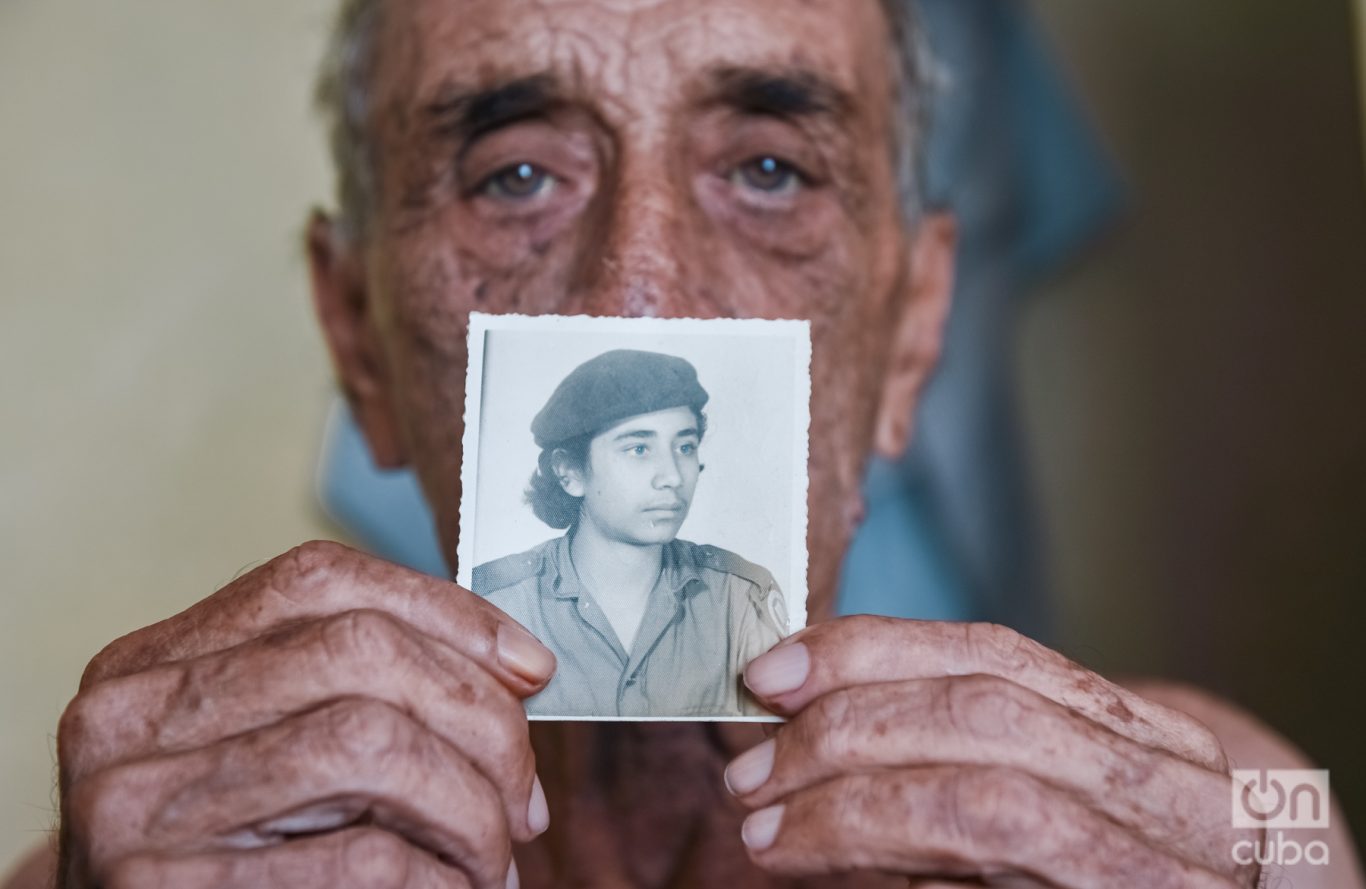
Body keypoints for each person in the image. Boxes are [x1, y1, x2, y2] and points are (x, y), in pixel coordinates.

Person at [5, 0, 1361, 887]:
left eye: (769, 168)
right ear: (357, 340)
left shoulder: (1183, 784)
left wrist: (1267, 854)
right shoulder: (172, 851)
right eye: (515, 173)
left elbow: (1304, 831)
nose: (636, 296)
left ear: (910, 329)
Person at [473, 348, 788, 718]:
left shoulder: (740, 599)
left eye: (685, 447)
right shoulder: (496, 603)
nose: (672, 476)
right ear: (569, 473)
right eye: (639, 449)